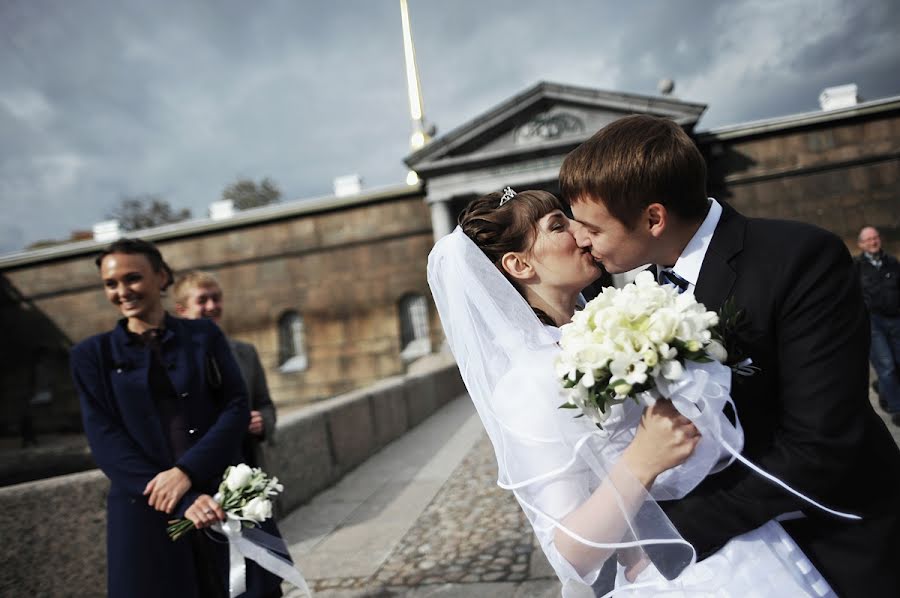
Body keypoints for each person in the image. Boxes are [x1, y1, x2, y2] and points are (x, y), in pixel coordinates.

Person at [427, 189, 834, 596]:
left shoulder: (611, 326)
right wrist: (642, 462)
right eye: (558, 226)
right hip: (682, 576)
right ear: (519, 264)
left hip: (743, 537)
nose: (582, 233)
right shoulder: (528, 383)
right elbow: (569, 554)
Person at [559, 114, 900, 597]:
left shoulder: (799, 258)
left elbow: (820, 446)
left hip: (832, 539)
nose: (579, 238)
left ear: (654, 218)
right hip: (739, 557)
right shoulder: (649, 288)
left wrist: (671, 533)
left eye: (592, 226)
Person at [69, 238, 284, 597]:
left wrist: (187, 473)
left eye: (133, 278)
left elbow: (235, 405)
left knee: (252, 589)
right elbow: (104, 437)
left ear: (161, 277)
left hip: (223, 488)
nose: (123, 291)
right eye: (111, 284)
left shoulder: (204, 335)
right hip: (146, 507)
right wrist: (181, 498)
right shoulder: (90, 355)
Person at [173, 271, 278, 469]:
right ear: (182, 310)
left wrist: (263, 422)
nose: (211, 306)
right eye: (202, 300)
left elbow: (265, 404)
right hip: (197, 469)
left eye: (216, 298)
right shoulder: (172, 359)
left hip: (247, 465)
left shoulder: (245, 352)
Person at [855, 226, 900, 424]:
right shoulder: (856, 266)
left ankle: (883, 389)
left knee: (898, 363)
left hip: (896, 318)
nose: (873, 242)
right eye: (868, 239)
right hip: (874, 322)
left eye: (875, 238)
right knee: (886, 365)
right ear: (861, 244)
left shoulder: (892, 262)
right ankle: (897, 408)